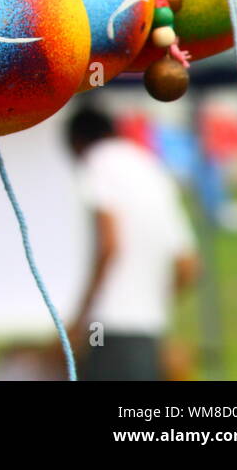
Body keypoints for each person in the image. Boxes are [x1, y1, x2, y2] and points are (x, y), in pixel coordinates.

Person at [66, 105, 200, 380]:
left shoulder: (97, 162)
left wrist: (81, 319)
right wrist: (151, 302)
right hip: (148, 331)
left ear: (78, 142)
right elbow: (188, 265)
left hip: (107, 327)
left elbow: (109, 244)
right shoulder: (151, 167)